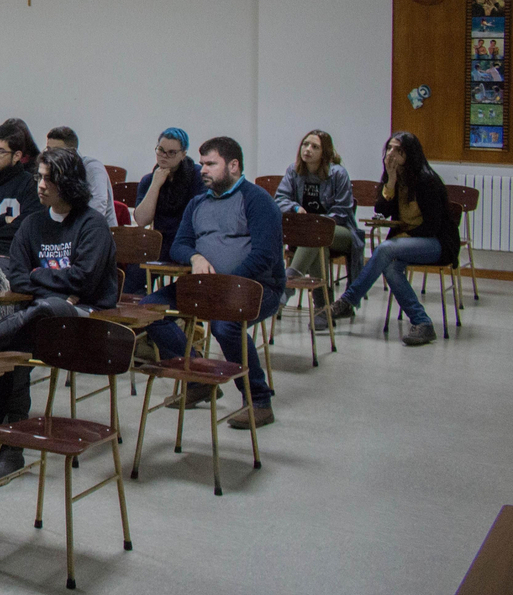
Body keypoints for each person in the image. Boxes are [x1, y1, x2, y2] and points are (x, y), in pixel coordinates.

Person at [0, 145, 118, 480]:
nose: (40, 185)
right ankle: (11, 449)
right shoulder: (31, 225)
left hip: (86, 321)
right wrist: (58, 287)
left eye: (48, 179)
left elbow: (86, 279)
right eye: (39, 178)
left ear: (69, 183)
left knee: (43, 308)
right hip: (41, 320)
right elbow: (18, 277)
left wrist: (40, 279)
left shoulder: (92, 225)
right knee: (14, 350)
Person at [138, 137, 284, 429]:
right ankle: (198, 379)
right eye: (202, 163)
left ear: (233, 166)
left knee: (224, 326)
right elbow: (179, 244)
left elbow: (265, 255)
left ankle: (259, 399)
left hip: (256, 287)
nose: (202, 169)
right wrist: (194, 258)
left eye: (210, 164)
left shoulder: (257, 200)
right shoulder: (198, 203)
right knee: (149, 310)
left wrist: (227, 284)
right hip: (205, 286)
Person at [327, 132, 459, 346]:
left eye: (398, 150)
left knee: (387, 249)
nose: (392, 154)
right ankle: (422, 323)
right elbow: (382, 210)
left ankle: (348, 300)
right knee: (390, 268)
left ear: (410, 154)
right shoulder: (395, 177)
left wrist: (401, 238)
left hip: (437, 243)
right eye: (389, 148)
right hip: (408, 243)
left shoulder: (427, 181)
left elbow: (432, 226)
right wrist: (391, 179)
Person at [274, 130, 364, 321]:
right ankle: (323, 309)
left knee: (316, 232)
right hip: (311, 236)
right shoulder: (294, 170)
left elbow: (342, 211)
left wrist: (318, 221)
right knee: (318, 244)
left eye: (315, 147)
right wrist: (296, 208)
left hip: (341, 232)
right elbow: (279, 199)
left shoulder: (338, 173)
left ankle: (287, 285)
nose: (308, 149)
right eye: (305, 144)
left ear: (325, 152)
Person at [130, 128, 206, 268]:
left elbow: (200, 216)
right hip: (160, 241)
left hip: (188, 240)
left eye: (171, 152)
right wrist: (155, 185)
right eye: (161, 150)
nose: (164, 156)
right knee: (134, 275)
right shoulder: (149, 180)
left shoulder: (197, 176)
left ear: (183, 154)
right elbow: (141, 220)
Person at [0, 122, 42, 257]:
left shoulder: (30, 185)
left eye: (0, 151)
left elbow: (26, 228)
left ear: (16, 156)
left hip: (15, 257)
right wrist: (3, 220)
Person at [45, 126, 116, 226]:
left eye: (57, 151)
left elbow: (98, 207)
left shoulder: (92, 168)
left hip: (94, 230)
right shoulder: (50, 170)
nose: (51, 155)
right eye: (48, 150)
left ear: (72, 152)